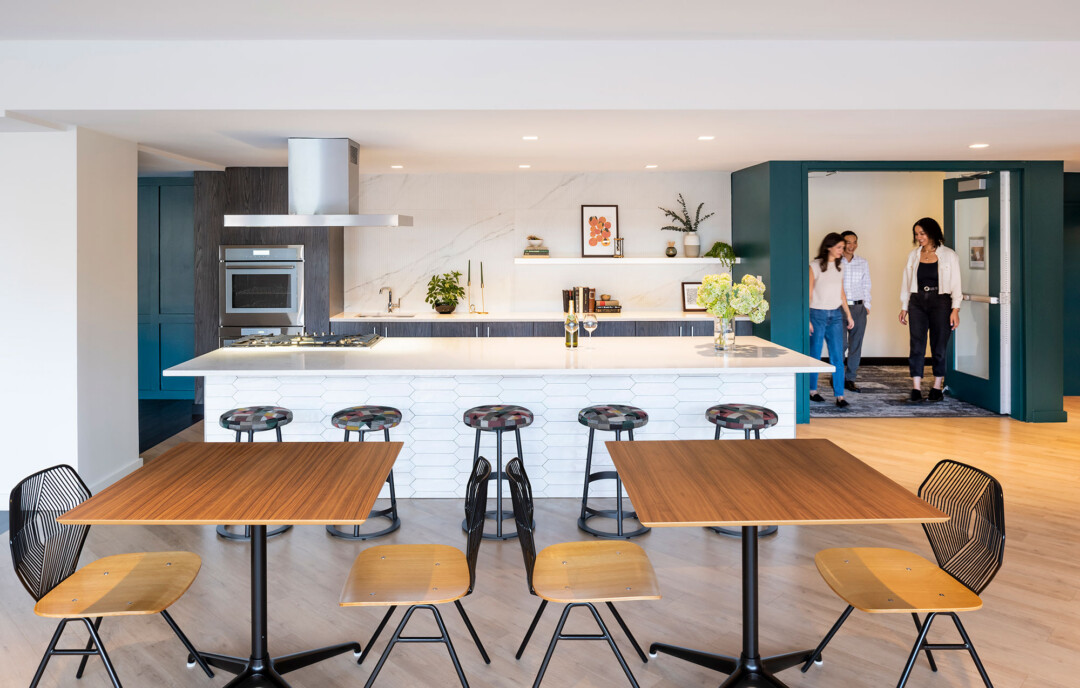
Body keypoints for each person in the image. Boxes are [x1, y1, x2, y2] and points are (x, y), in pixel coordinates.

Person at [899, 217, 963, 402]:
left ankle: (937, 386)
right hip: (917, 301)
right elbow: (906, 282)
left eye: (922, 233)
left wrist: (955, 309)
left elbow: (956, 283)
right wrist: (904, 306)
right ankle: (916, 388)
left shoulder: (949, 255)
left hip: (941, 302)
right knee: (916, 344)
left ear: (932, 233)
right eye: (916, 234)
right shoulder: (913, 255)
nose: (919, 237)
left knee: (939, 345)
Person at [809, 233, 856, 408]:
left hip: (836, 315)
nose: (842, 251)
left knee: (837, 355)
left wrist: (849, 315)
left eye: (842, 248)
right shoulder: (814, 266)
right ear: (828, 247)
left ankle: (840, 396)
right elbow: (809, 292)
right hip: (817, 314)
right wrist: (808, 319)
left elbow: (841, 293)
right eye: (839, 247)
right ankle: (812, 391)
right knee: (814, 354)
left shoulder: (840, 267)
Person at [840, 230, 871, 392]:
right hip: (839, 308)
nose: (852, 246)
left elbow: (866, 284)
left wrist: (867, 306)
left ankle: (850, 378)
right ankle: (837, 375)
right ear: (842, 243)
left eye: (855, 242)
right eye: (848, 242)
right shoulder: (835, 262)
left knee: (856, 345)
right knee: (840, 344)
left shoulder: (863, 262)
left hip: (859, 307)